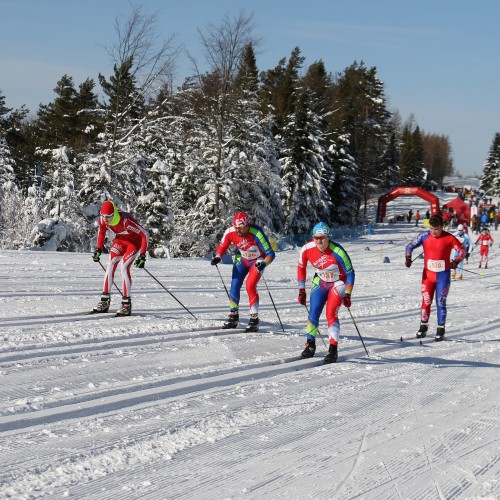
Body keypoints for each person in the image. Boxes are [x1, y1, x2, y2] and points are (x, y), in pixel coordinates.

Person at [297, 222, 355, 364]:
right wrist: (301, 290)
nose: (319, 241)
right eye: (316, 237)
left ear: (328, 237)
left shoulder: (338, 251)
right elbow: (301, 268)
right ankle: (310, 345)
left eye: (322, 238)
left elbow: (350, 273)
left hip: (338, 282)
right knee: (313, 313)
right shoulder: (306, 249)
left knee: (330, 314)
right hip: (321, 281)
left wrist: (348, 293)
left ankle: (333, 349)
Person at [211, 212, 275, 332]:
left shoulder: (257, 233)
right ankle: (233, 315)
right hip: (242, 259)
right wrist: (218, 257)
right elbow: (222, 246)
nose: (238, 230)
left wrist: (264, 263)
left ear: (247, 225)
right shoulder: (230, 231)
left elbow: (271, 254)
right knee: (234, 284)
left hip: (257, 260)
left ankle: (254, 319)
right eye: (236, 227)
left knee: (250, 286)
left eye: (241, 228)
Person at [405, 214, 465, 341]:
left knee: (440, 302)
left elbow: (462, 251)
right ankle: (423, 326)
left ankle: (440, 328)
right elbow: (409, 246)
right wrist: (408, 258)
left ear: (442, 227)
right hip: (428, 276)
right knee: (426, 301)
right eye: (431, 228)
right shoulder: (424, 235)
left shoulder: (449, 237)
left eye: (436, 229)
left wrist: (455, 262)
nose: (433, 231)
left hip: (442, 276)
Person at [92, 200, 150, 316]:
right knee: (110, 264)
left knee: (124, 267)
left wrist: (142, 255)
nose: (105, 219)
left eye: (108, 216)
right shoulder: (104, 220)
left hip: (134, 242)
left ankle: (126, 304)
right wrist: (98, 249)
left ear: (114, 214)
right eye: (103, 216)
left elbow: (145, 234)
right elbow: (102, 232)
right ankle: (104, 301)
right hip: (120, 240)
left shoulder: (125, 221)